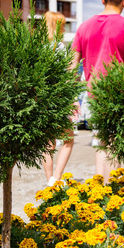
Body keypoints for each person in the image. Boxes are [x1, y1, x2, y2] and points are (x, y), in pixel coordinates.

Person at [71, 0, 124, 183]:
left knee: (101, 143)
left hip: (92, 95)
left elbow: (72, 65)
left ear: (103, 0)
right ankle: (112, 193)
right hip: (117, 96)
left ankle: (100, 190)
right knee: (114, 146)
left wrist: (69, 96)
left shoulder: (84, 27)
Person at [42, 11, 77, 187]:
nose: (64, 28)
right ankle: (57, 176)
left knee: (48, 144)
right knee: (68, 140)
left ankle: (49, 180)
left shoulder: (39, 47)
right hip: (58, 100)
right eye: (63, 25)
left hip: (42, 102)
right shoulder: (59, 47)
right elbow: (65, 77)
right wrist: (72, 100)